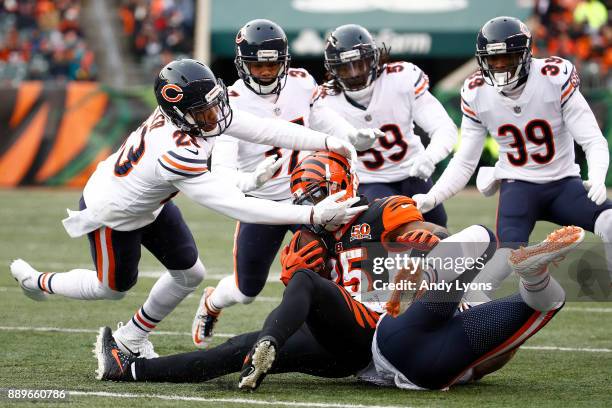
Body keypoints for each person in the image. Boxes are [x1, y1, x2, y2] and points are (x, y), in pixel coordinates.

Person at [95, 151, 578, 391]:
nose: (308, 203)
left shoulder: (378, 213)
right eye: (303, 197)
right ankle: (135, 368)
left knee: (480, 270)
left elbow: (424, 228)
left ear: (344, 186)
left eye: (315, 193)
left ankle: (265, 345)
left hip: (405, 329)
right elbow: (303, 300)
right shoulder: (305, 244)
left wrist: (420, 251)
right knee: (242, 345)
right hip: (361, 338)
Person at [9, 59, 366, 359]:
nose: (215, 114)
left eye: (215, 103)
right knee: (113, 287)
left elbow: (260, 128)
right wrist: (310, 215)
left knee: (190, 274)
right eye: (203, 110)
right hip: (113, 211)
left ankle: (131, 339)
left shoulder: (190, 116)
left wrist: (325, 140)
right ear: (181, 113)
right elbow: (236, 206)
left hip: (149, 202)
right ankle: (38, 281)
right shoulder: (175, 151)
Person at [192, 19, 384, 348]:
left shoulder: (300, 82)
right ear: (242, 64)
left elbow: (324, 121)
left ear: (285, 62)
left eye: (273, 63)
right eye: (258, 64)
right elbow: (222, 172)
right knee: (246, 289)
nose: (266, 72)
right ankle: (212, 302)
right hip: (262, 204)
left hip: (312, 200)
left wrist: (351, 136)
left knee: (334, 270)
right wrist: (251, 179)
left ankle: (351, 330)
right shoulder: (228, 103)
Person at [413, 16, 612, 302]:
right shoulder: (476, 92)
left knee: (610, 220)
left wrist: (597, 175)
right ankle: (477, 318)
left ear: (526, 54)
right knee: (506, 258)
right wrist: (433, 197)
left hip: (563, 183)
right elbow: (465, 161)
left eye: (508, 58)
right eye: (493, 61)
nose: (501, 67)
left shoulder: (554, 77)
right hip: (518, 187)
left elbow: (592, 138)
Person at [313, 24, 458, 227]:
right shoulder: (323, 99)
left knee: (438, 227)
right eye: (346, 67)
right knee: (391, 228)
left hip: (414, 172)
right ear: (332, 69)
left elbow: (444, 127)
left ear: (374, 59)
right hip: (369, 180)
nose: (354, 74)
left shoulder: (401, 78)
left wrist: (430, 157)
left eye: (359, 64)